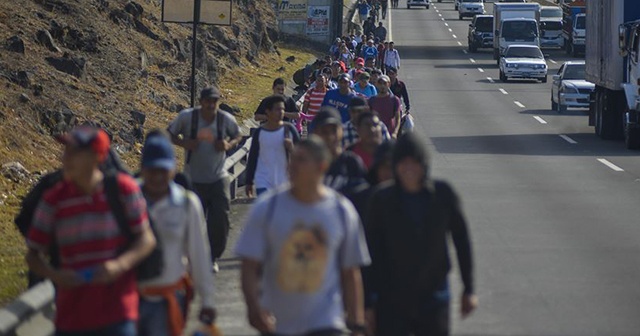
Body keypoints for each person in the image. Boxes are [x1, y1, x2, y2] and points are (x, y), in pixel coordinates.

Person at [26, 126, 157, 336]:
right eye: (65, 151)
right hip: (71, 318)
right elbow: (33, 254)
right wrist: (56, 275)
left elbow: (147, 239)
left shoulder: (123, 190)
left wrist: (119, 265)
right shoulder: (53, 199)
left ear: (96, 156)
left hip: (118, 314)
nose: (65, 158)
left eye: (73, 152)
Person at [236, 135, 370, 336]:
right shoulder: (267, 207)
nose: (292, 166)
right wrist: (253, 308)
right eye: (293, 159)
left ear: (321, 167)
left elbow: (350, 271)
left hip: (326, 323)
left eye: (302, 160)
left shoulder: (341, 211)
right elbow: (249, 265)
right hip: (278, 324)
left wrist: (357, 321)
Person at [365, 133, 478, 336]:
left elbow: (462, 241)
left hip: (434, 297)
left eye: (415, 162)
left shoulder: (442, 195)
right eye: (403, 162)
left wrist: (468, 288)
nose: (409, 169)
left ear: (424, 164)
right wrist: (367, 303)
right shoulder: (381, 200)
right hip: (391, 299)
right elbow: (370, 252)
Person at [137, 131, 216, 336]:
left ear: (173, 169)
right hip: (128, 300)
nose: (157, 177)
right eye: (152, 170)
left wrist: (207, 300)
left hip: (168, 298)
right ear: (142, 169)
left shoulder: (186, 203)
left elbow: (199, 253)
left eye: (163, 170)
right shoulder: (128, 200)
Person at [168, 87, 242, 271]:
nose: (211, 105)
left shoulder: (224, 119)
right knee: (193, 221)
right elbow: (169, 133)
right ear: (200, 102)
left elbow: (238, 135)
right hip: (193, 178)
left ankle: (212, 257)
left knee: (220, 219)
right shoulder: (188, 117)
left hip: (218, 176)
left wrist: (228, 144)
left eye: (214, 101)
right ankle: (193, 258)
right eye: (207, 101)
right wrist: (183, 143)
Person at [246, 95, 301, 198]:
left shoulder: (289, 130)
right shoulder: (260, 132)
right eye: (277, 109)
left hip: (284, 181)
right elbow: (253, 157)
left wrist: (291, 147)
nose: (281, 112)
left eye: (283, 109)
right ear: (268, 111)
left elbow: (302, 155)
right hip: (263, 180)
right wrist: (249, 181)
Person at [312, 107, 367, 196]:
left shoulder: (351, 163)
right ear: (316, 133)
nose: (330, 136)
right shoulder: (309, 164)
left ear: (341, 130)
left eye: (334, 131)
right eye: (325, 132)